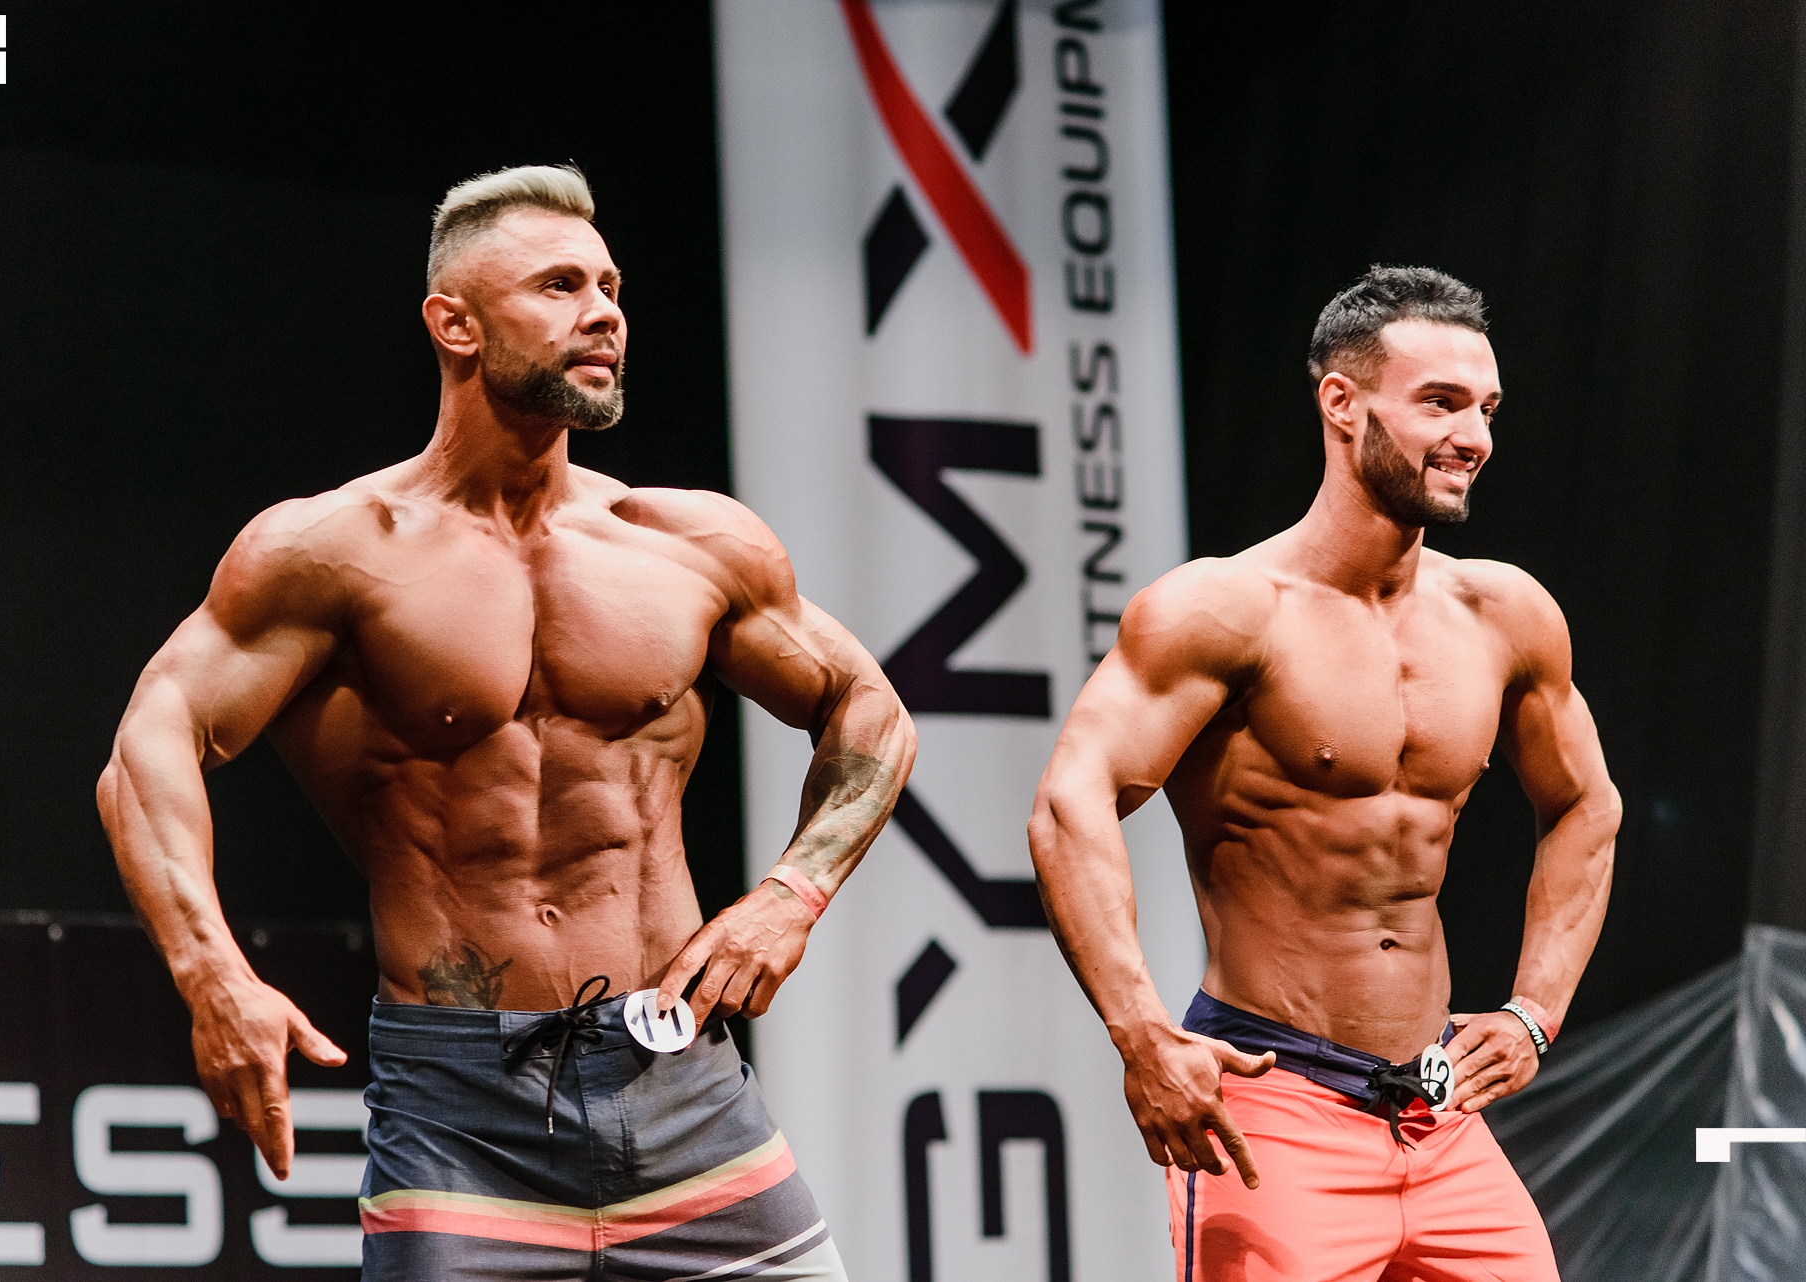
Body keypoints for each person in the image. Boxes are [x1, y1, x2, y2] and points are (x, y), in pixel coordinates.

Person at [97, 164, 914, 1282]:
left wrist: (790, 896)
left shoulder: (687, 544)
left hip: (684, 1087)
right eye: (560, 285)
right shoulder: (335, 550)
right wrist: (213, 975)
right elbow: (151, 743)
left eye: (611, 287)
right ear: (456, 325)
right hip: (460, 1117)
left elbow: (870, 709)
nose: (604, 313)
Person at [1028, 266, 1620, 1280]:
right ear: (1342, 403)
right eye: (1439, 403)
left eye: (1485, 409)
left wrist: (1535, 1010)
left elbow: (1585, 805)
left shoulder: (1506, 615)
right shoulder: (1224, 611)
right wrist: (1142, 1035)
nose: (1473, 437)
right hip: (1275, 1110)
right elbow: (1070, 802)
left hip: (1438, 1115)